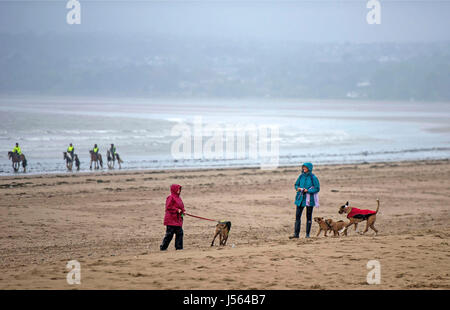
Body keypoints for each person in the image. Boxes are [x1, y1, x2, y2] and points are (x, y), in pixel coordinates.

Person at [289, 162, 320, 239]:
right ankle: (296, 234)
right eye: (303, 167)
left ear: (309, 168)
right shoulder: (301, 176)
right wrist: (298, 188)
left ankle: (307, 235)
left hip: (310, 200)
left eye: (305, 168)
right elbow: (296, 184)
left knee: (308, 217)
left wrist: (308, 191)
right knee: (297, 217)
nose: (304, 169)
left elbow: (317, 188)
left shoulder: (313, 177)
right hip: (300, 199)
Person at [160, 184, 186, 251]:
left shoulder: (179, 198)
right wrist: (177, 210)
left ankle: (179, 247)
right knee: (169, 235)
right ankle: (163, 247)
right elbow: (168, 207)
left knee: (180, 233)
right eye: (178, 189)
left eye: (180, 189)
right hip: (171, 220)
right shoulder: (170, 197)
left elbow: (181, 207)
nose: (179, 190)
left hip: (178, 220)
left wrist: (183, 212)